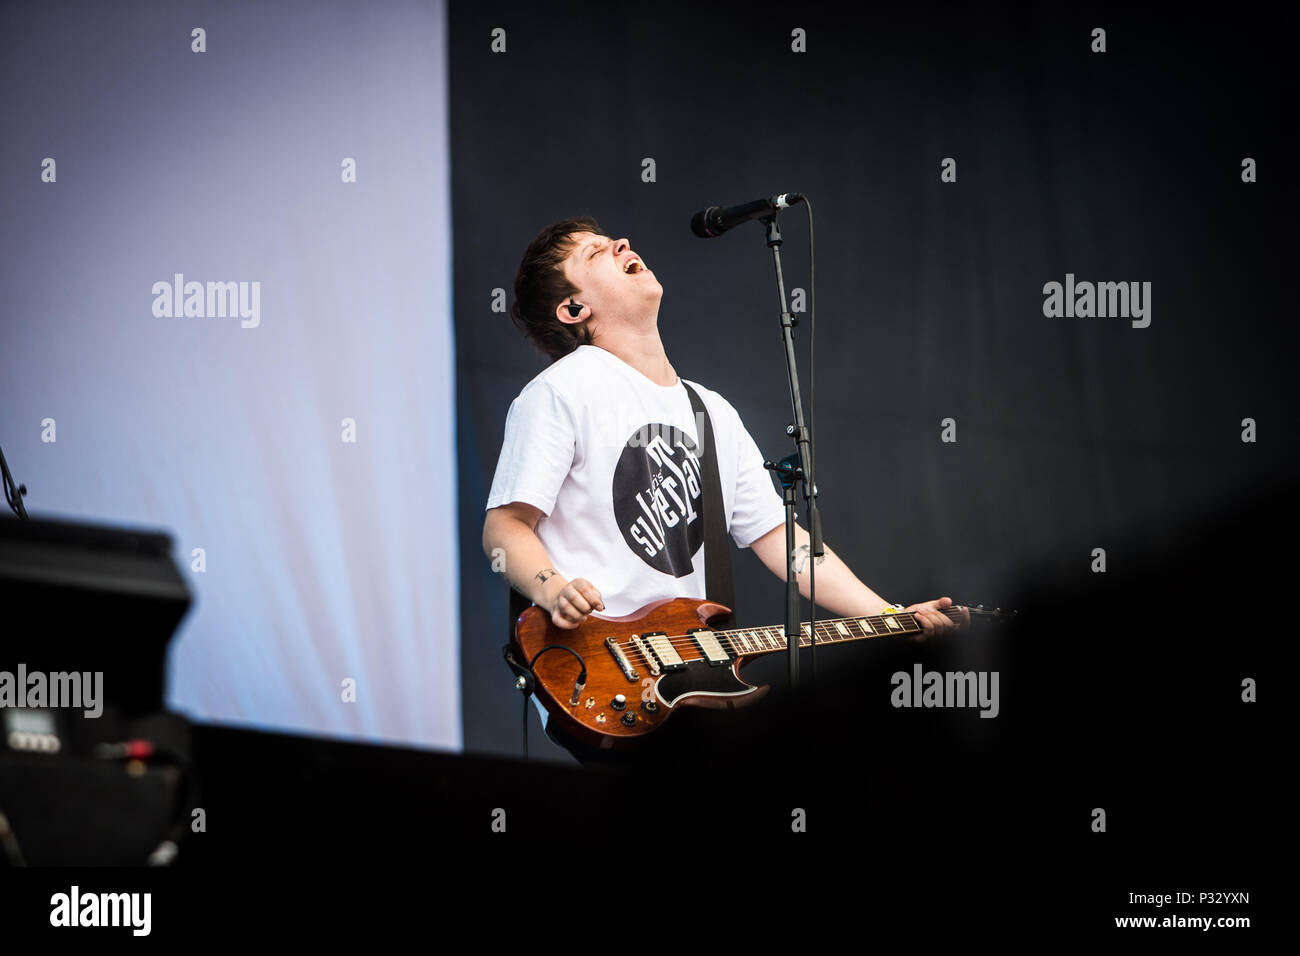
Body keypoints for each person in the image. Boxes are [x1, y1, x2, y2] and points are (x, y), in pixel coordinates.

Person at [483, 216, 970, 766]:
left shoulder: (709, 410)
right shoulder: (559, 392)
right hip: (600, 672)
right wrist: (552, 588)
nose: (622, 241)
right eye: (595, 253)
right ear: (574, 311)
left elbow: (786, 542)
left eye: (616, 238)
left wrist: (889, 617)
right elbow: (505, 526)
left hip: (693, 677)